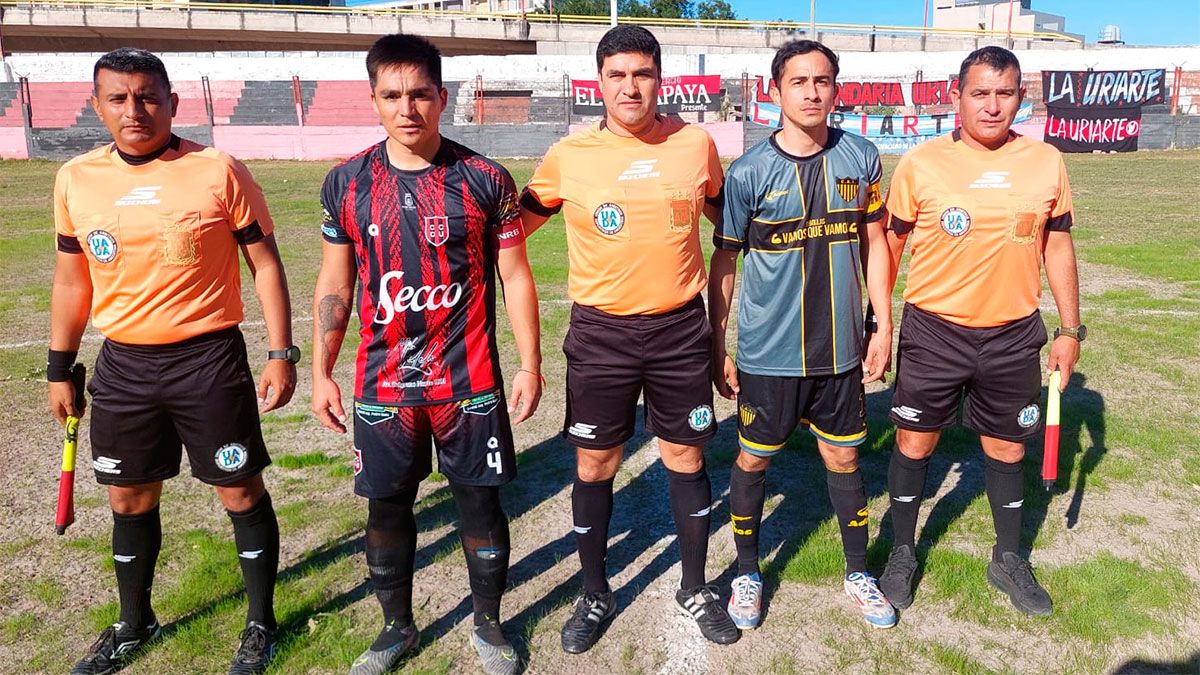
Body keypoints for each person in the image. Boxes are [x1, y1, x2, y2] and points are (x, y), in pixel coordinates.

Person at [49, 48, 297, 675]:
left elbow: (265, 265)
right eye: (118, 98)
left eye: (148, 96)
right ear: (97, 105)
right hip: (124, 367)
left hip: (208, 361)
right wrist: (58, 367)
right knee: (129, 499)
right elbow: (73, 281)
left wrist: (280, 353)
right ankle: (135, 623)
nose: (134, 109)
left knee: (239, 489)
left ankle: (260, 623)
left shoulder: (217, 170)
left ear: (172, 102)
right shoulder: (76, 179)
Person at [310, 34, 542, 675]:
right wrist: (321, 372)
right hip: (383, 387)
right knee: (387, 507)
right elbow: (336, 285)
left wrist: (530, 364)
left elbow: (515, 275)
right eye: (392, 95)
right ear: (374, 100)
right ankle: (396, 628)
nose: (406, 108)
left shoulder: (485, 179)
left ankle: (488, 624)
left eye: (419, 94)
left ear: (441, 96)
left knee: (480, 504)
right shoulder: (346, 183)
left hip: (469, 381)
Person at [520, 24, 740, 653]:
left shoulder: (695, 145)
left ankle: (695, 586)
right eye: (617, 75)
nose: (630, 87)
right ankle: (595, 592)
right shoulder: (569, 156)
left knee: (686, 457)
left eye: (642, 74)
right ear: (598, 82)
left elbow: (731, 224)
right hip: (601, 335)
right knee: (595, 462)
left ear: (660, 80)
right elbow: (511, 233)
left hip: (679, 330)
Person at [878, 46, 1082, 617]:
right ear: (956, 96)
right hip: (934, 331)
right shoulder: (921, 163)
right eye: (980, 93)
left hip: (1013, 334)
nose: (992, 106)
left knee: (1007, 445)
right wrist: (879, 320)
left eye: (1005, 93)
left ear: (1021, 97)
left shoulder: (1046, 161)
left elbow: (1057, 244)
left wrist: (1070, 329)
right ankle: (902, 551)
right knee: (914, 442)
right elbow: (889, 246)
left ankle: (1008, 558)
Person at [709, 40, 897, 631]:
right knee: (752, 457)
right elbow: (725, 260)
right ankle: (747, 571)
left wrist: (882, 321)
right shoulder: (748, 173)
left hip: (840, 350)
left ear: (836, 88)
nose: (812, 92)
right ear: (776, 91)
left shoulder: (862, 157)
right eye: (799, 81)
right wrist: (718, 343)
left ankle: (858, 572)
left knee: (844, 455)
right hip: (769, 353)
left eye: (823, 81)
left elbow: (875, 242)